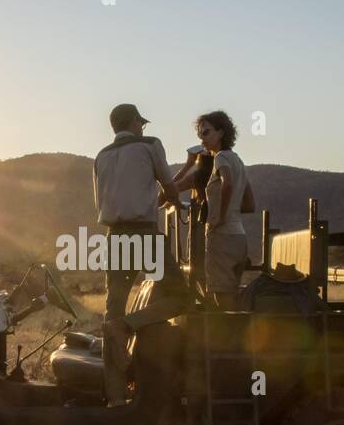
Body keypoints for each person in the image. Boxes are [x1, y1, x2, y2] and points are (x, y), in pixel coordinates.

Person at [93, 103, 186, 406]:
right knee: (181, 298)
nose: (142, 127)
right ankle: (129, 325)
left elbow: (102, 201)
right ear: (133, 122)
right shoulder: (150, 145)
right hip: (144, 232)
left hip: (114, 236)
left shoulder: (101, 156)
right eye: (140, 123)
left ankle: (116, 397)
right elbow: (169, 187)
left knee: (112, 307)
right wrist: (173, 202)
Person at [173, 111, 256, 310]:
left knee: (221, 297)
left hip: (222, 235)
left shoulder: (220, 158)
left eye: (206, 132)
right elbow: (249, 203)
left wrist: (218, 216)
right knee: (232, 295)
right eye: (200, 134)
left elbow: (227, 184)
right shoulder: (238, 161)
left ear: (221, 132)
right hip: (238, 235)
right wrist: (230, 209)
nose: (202, 139)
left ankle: (226, 339)